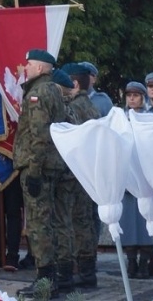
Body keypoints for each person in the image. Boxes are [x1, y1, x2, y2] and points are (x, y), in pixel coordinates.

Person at [16, 49, 69, 295]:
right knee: (52, 221)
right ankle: (56, 276)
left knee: (38, 223)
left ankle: (45, 280)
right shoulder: (54, 90)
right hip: (54, 165)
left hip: (39, 166)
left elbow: (39, 135)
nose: (25, 68)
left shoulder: (37, 93)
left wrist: (34, 170)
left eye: (28, 64)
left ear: (39, 68)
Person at [63, 64, 102, 288]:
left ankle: (83, 270)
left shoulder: (74, 108)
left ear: (75, 84)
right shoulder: (89, 106)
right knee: (84, 221)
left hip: (74, 173)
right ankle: (87, 270)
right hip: (86, 172)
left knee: (76, 223)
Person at [114, 82, 152, 277]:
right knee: (127, 223)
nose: (132, 99)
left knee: (145, 222)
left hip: (145, 175)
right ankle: (130, 262)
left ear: (143, 97)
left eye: (136, 95)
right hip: (125, 173)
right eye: (129, 95)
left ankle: (144, 262)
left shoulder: (149, 118)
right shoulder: (120, 118)